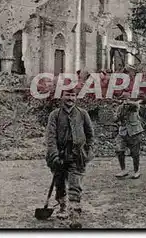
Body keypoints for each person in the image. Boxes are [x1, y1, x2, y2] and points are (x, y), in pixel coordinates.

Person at [45, 89, 94, 229]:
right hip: (59, 156)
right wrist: (54, 155)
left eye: (73, 95)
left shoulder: (83, 114)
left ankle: (75, 213)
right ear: (61, 97)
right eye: (67, 95)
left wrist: (87, 151)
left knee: (75, 184)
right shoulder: (54, 115)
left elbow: (90, 135)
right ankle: (62, 206)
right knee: (59, 183)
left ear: (76, 97)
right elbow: (50, 137)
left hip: (77, 156)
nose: (70, 98)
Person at [114, 94, 144, 179]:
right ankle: (123, 170)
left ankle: (136, 171)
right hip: (123, 132)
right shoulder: (120, 108)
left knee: (135, 153)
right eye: (123, 100)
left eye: (126, 99)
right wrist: (119, 118)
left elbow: (136, 105)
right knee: (119, 151)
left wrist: (129, 102)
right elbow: (115, 118)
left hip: (135, 132)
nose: (124, 101)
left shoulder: (134, 106)